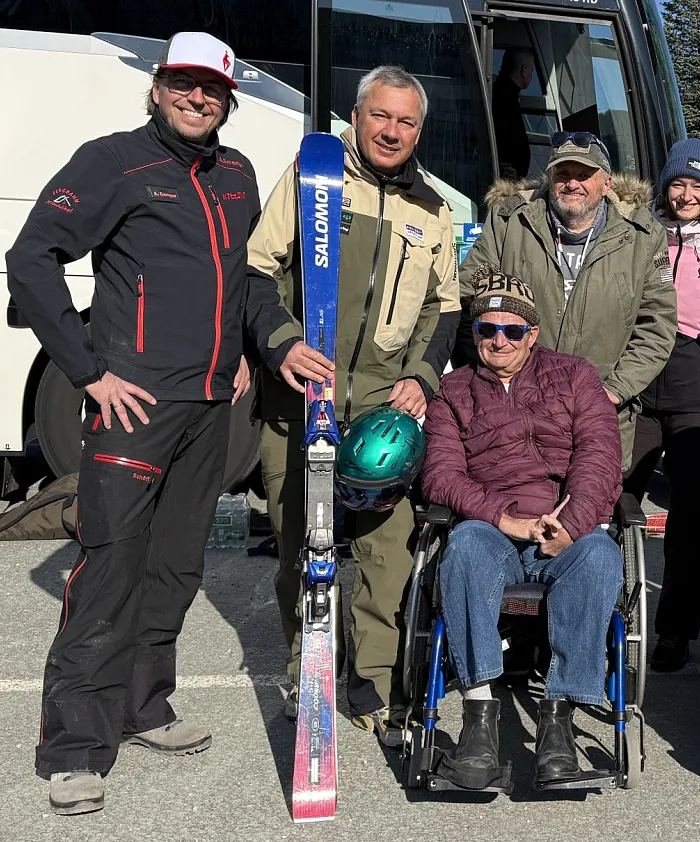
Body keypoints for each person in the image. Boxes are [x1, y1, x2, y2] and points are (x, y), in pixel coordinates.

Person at [5, 32, 263, 815]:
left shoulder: (238, 173)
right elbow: (32, 256)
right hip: (135, 405)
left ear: (228, 100)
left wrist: (245, 344)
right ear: (156, 88)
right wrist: (87, 368)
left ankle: (143, 707)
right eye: (182, 85)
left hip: (211, 405)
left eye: (211, 89)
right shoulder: (113, 160)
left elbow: (241, 273)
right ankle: (75, 748)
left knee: (178, 565)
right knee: (111, 567)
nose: (196, 98)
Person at [244, 65, 460, 739]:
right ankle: (304, 667)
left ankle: (371, 674)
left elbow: (445, 307)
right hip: (305, 387)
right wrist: (281, 343)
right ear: (357, 116)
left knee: (386, 546)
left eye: (406, 122)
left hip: (380, 398)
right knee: (300, 540)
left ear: (419, 130)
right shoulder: (314, 178)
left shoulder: (432, 206)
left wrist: (423, 375)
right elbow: (256, 269)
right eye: (381, 116)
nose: (392, 132)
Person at [422, 268, 624, 791]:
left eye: (512, 330)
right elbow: (441, 475)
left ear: (532, 334)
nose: (499, 341)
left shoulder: (575, 375)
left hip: (564, 524)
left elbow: (601, 457)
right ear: (475, 334)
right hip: (496, 528)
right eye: (487, 330)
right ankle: (478, 722)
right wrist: (501, 516)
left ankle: (558, 726)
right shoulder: (452, 391)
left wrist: (572, 523)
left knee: (601, 555)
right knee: (464, 543)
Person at [457, 132, 676, 467]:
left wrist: (611, 392)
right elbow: (469, 289)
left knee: (584, 515)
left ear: (606, 183)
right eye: (562, 174)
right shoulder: (510, 222)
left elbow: (657, 327)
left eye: (584, 175)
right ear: (549, 178)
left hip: (597, 418)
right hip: (512, 411)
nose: (572, 184)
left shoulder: (643, 237)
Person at [622, 139, 700, 672]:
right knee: (608, 493)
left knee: (689, 512)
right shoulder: (638, 236)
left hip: (698, 392)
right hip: (637, 390)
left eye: (698, 186)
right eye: (679, 184)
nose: (687, 194)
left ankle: (676, 631)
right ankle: (600, 613)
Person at [492, 47, 535, 180]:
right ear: (524, 70)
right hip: (506, 178)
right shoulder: (505, 99)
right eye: (531, 72)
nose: (531, 76)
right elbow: (505, 146)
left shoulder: (503, 93)